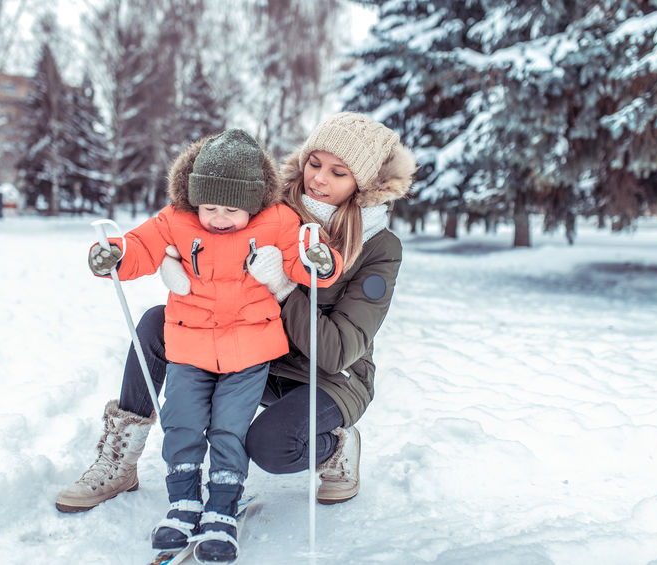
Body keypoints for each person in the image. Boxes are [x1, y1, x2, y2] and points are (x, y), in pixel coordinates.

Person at [56, 111, 415, 547]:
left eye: (338, 172)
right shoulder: (271, 206)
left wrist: (284, 289)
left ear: (364, 183)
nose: (319, 179)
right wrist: (164, 255)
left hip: (328, 375)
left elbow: (339, 349)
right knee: (157, 323)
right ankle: (121, 456)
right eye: (314, 163)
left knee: (270, 446)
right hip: (256, 350)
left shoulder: (380, 247)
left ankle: (336, 449)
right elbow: (188, 222)